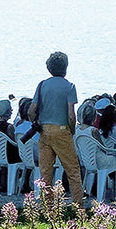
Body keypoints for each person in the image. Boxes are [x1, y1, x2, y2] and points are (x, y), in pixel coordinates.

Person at [30, 51, 84, 205]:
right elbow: (71, 115)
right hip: (62, 130)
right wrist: (71, 130)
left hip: (44, 131)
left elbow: (31, 110)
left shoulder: (41, 85)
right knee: (73, 170)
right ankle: (78, 206)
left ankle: (49, 208)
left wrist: (36, 122)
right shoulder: (70, 87)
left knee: (45, 173)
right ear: (65, 67)